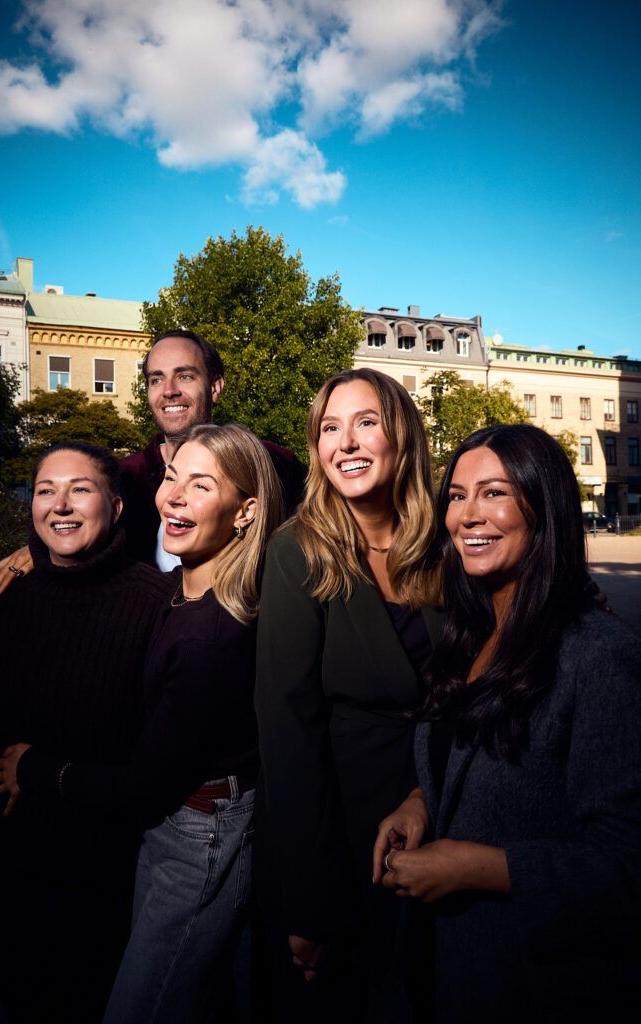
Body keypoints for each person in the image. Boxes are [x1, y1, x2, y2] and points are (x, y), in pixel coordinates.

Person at [0, 423, 283, 1024]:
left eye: (201, 485)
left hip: (201, 833)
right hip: (169, 829)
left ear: (246, 511)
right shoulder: (177, 590)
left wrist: (34, 769)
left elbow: (143, 785)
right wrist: (35, 556)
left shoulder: (213, 636)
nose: (173, 496)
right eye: (173, 477)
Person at [374, 424, 641, 1024]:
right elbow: (474, 755)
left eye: (494, 492)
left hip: (536, 987)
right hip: (448, 976)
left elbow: (628, 869)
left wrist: (476, 867)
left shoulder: (596, 656)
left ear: (542, 507)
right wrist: (421, 800)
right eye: (457, 495)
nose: (468, 515)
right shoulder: (466, 636)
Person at [0, 442, 171, 1023]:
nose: (61, 504)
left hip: (105, 877)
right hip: (9, 874)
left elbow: (157, 761)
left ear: (117, 507)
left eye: (80, 488)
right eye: (46, 490)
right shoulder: (1, 601)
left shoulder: (159, 605)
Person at [253, 368, 442, 1022]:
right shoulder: (296, 551)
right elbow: (285, 730)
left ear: (401, 438)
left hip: (441, 813)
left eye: (366, 422)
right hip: (337, 832)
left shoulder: (444, 545)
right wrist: (313, 901)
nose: (346, 442)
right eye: (329, 428)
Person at [0, 329, 304, 605]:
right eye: (156, 380)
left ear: (214, 387)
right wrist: (39, 552)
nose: (169, 391)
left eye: (184, 376)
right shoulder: (124, 477)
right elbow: (77, 531)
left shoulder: (270, 464)